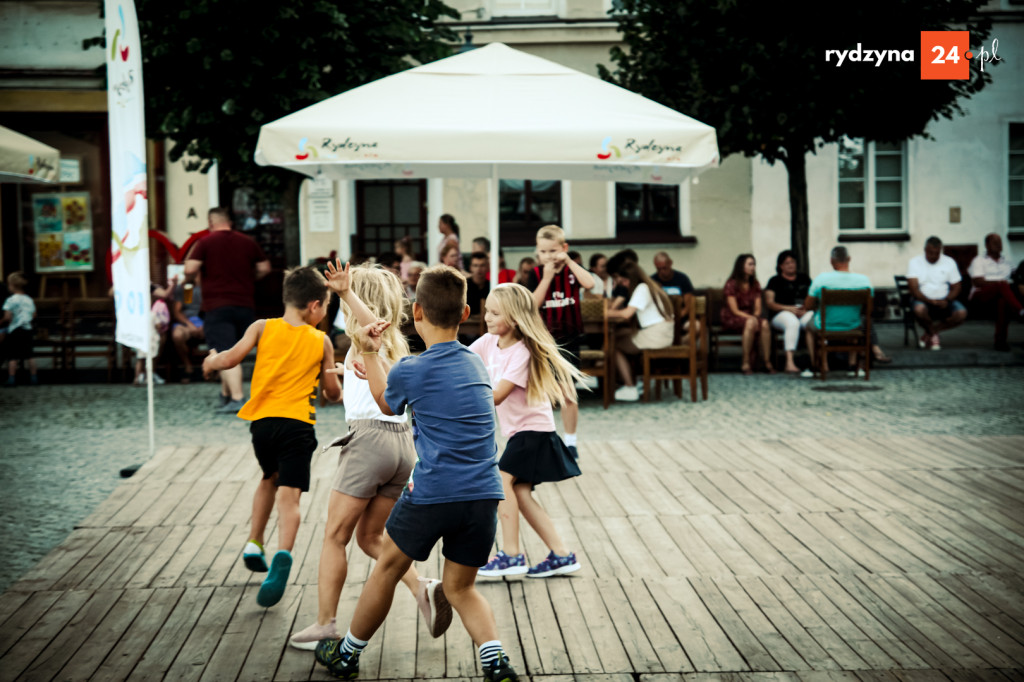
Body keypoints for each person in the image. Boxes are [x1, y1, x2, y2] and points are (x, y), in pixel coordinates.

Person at [314, 265, 519, 682]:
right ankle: (495, 661)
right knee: (461, 588)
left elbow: (386, 401)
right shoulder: (478, 366)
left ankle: (348, 653)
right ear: (465, 313)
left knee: (387, 567)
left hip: (432, 492)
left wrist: (369, 355)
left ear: (417, 311)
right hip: (483, 495)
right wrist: (354, 302)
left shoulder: (412, 370)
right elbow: (398, 371)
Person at [288, 261, 448, 649]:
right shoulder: (395, 343)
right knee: (372, 537)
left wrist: (345, 292)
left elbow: (368, 321)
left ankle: (325, 624)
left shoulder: (366, 333)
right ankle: (422, 586)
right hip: (401, 445)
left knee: (334, 537)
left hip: (368, 442)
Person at [202, 266, 342, 608]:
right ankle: (283, 554)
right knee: (289, 497)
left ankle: (254, 541)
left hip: (261, 425)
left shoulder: (261, 327)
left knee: (268, 477)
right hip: (297, 425)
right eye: (326, 306)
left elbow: (231, 359)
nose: (325, 312)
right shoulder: (321, 340)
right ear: (313, 306)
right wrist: (337, 380)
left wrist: (210, 360)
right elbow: (333, 393)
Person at [470, 283, 583, 577]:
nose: (488, 318)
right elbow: (456, 362)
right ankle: (561, 554)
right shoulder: (486, 343)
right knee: (519, 492)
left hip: (534, 432)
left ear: (516, 319)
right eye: (487, 312)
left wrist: (462, 392)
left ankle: (511, 554)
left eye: (496, 313)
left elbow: (496, 396)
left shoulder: (522, 353)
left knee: (500, 481)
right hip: (519, 434)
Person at [185, 207, 271, 412]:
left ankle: (237, 398)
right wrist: (250, 280)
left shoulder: (205, 242)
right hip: (244, 304)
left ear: (211, 222)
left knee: (223, 350)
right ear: (230, 222)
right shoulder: (247, 242)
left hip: (217, 305)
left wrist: (191, 280)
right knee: (233, 349)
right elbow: (264, 268)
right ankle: (225, 394)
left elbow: (189, 268)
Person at [525, 225, 595, 458]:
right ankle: (544, 438)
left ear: (564, 248)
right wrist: (546, 278)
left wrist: (570, 262)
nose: (548, 256)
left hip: (570, 338)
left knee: (568, 392)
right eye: (543, 252)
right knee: (540, 393)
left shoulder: (572, 271)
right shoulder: (535, 274)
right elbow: (532, 305)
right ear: (537, 251)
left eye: (553, 251)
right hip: (543, 341)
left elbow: (590, 284)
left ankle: (571, 441)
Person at [606, 260, 675, 401]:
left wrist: (605, 313)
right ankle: (636, 381)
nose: (623, 284)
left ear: (632, 279)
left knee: (613, 345)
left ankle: (629, 386)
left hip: (656, 336)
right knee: (621, 335)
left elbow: (626, 314)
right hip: (662, 333)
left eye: (624, 280)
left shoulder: (642, 288)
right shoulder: (650, 285)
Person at [803, 246, 873, 377]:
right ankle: (852, 366)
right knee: (856, 320)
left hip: (825, 326)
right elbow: (870, 308)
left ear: (831, 261)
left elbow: (807, 305)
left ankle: (818, 365)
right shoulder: (864, 281)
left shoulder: (821, 279)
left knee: (809, 327)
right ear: (849, 259)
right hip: (852, 326)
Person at [907, 236, 967, 351]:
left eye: (937, 253)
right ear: (925, 250)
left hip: (945, 300)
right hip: (923, 300)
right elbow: (914, 289)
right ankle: (933, 336)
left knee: (961, 313)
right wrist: (929, 301)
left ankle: (931, 332)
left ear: (941, 250)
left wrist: (947, 300)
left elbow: (957, 287)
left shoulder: (949, 262)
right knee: (919, 310)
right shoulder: (915, 262)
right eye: (930, 253)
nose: (933, 256)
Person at [968, 233, 1024, 351]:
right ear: (987, 245)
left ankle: (1000, 342)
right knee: (1002, 285)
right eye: (995, 242)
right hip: (981, 294)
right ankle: (1020, 310)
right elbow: (978, 281)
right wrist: (999, 284)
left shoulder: (1007, 260)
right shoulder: (979, 260)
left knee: (1002, 301)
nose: (998, 245)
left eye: (1000, 242)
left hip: (1002, 294)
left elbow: (1016, 275)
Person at [721, 254, 774, 375]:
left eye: (754, 264)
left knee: (765, 323)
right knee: (751, 323)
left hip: (750, 317)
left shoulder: (755, 284)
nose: (753, 267)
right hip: (732, 317)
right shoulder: (731, 284)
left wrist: (755, 317)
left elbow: (758, 308)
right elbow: (734, 310)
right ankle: (745, 362)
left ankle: (766, 361)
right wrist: (752, 318)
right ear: (741, 266)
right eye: (750, 264)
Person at [764, 250, 813, 374]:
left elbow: (813, 297)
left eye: (793, 262)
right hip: (781, 314)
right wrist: (788, 308)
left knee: (813, 321)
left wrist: (806, 308)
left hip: (802, 312)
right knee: (792, 323)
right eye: (787, 263)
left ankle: (817, 361)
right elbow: (770, 303)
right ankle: (789, 362)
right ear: (781, 266)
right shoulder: (774, 281)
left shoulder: (804, 278)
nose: (791, 265)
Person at [2, 271, 37, 387]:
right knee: (30, 355)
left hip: (15, 330)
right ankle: (34, 378)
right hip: (27, 329)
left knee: (13, 356)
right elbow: (33, 315)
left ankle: (12, 378)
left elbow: (7, 317)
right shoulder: (29, 300)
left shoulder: (10, 300)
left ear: (12, 286)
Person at [171, 280, 205, 383]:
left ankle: (217, 370)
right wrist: (190, 325)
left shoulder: (209, 285)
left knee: (220, 331)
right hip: (187, 323)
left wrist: (205, 325)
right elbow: (177, 311)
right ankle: (188, 366)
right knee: (177, 335)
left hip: (207, 322)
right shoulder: (186, 288)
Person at [466, 251, 491, 315]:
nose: (479, 269)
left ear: (488, 267)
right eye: (475, 265)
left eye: (482, 265)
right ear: (470, 267)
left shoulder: (491, 287)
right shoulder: (463, 287)